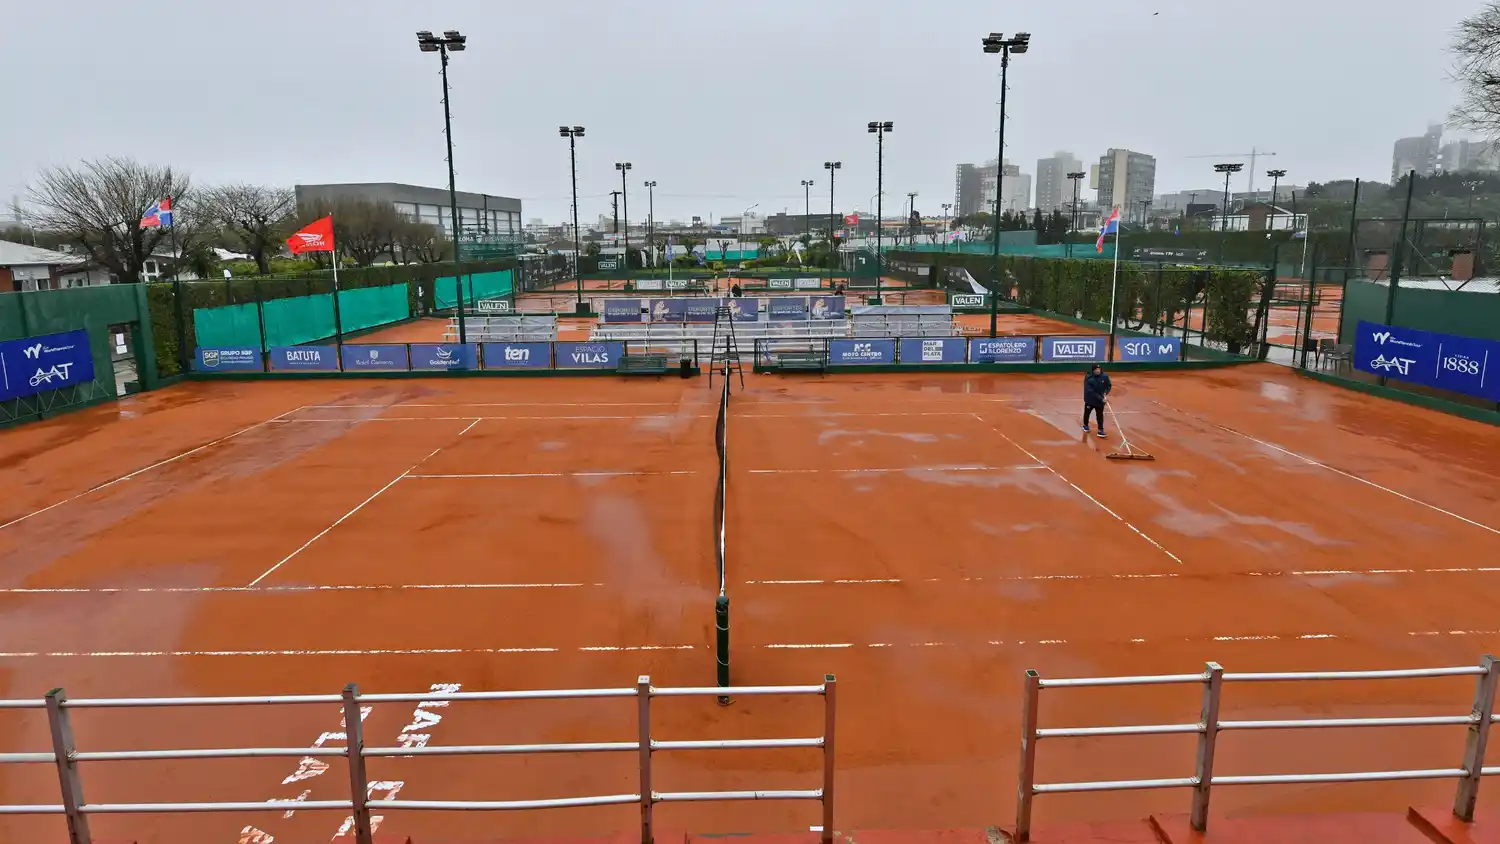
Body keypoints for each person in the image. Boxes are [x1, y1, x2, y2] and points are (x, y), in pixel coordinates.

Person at [1082, 364, 1112, 438]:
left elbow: (1108, 385)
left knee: (1100, 415)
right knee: (1087, 413)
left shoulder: (1105, 376)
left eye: (1099, 369)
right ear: (1093, 370)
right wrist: (1101, 399)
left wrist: (1105, 392)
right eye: (1096, 370)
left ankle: (1100, 430)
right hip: (1090, 400)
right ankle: (1085, 425)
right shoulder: (1089, 378)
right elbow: (1090, 392)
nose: (1098, 371)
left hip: (1100, 401)